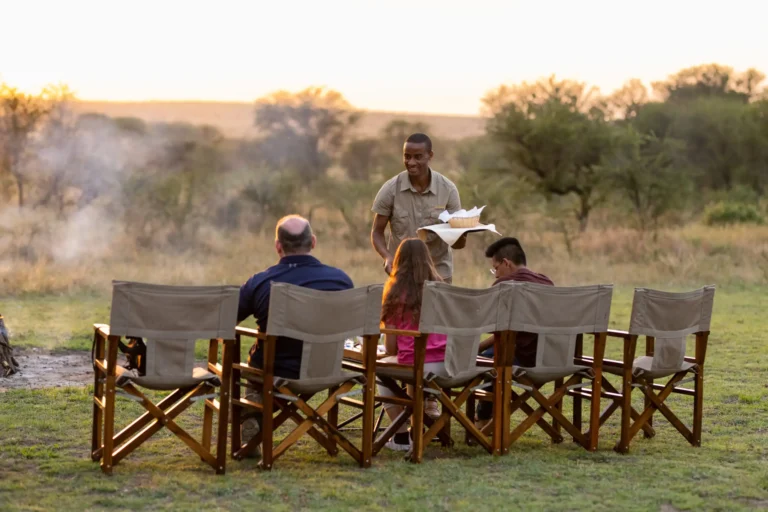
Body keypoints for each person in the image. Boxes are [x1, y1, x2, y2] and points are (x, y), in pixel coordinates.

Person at [236, 214, 354, 456]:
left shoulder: (261, 282)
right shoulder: (341, 281)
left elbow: (227, 320)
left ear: (278, 246)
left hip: (276, 372)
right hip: (327, 371)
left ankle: (253, 412)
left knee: (255, 361)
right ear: (313, 242)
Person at [475, 237, 554, 430]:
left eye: (495, 268)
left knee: (487, 363)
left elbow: (488, 328)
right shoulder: (547, 282)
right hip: (551, 359)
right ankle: (488, 419)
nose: (495, 275)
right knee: (493, 354)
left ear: (506, 263)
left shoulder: (504, 286)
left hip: (518, 359)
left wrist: (474, 349)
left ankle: (482, 420)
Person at [378, 238, 448, 451]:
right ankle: (420, 431)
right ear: (428, 260)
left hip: (416, 364)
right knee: (409, 364)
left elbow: (391, 349)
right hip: (448, 363)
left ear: (398, 261)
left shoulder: (395, 294)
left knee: (379, 371)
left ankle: (400, 437)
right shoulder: (443, 290)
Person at [371, 133, 467, 284]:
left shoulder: (448, 189)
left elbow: (458, 244)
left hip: (439, 272)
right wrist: (387, 257)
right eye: (407, 156)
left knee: (438, 308)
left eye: (418, 157)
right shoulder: (390, 189)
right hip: (402, 271)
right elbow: (377, 232)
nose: (411, 162)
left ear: (430, 156)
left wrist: (462, 233)